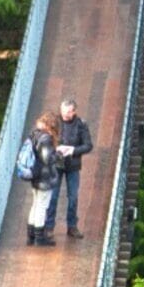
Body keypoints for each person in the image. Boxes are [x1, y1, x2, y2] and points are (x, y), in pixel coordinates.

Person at [47, 96, 93, 241]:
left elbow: (88, 145)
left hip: (73, 165)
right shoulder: (54, 122)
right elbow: (45, 140)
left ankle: (72, 226)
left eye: (67, 112)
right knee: (53, 196)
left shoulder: (81, 125)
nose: (65, 115)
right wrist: (56, 149)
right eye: (63, 112)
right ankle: (49, 227)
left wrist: (72, 150)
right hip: (57, 163)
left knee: (73, 197)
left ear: (74, 112)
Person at [19, 113, 61, 244]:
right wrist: (59, 155)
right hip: (44, 177)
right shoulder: (46, 138)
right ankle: (39, 238)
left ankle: (30, 237)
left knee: (35, 204)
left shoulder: (34, 133)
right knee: (42, 206)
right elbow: (47, 158)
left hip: (35, 175)